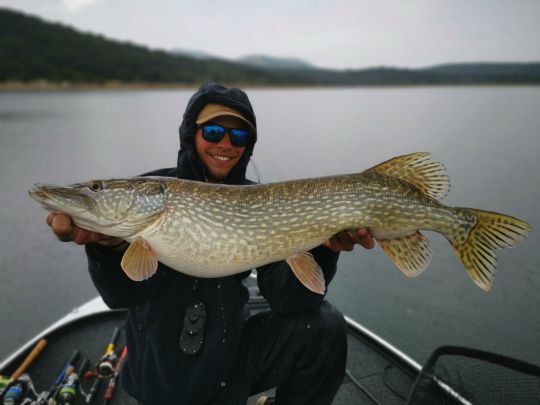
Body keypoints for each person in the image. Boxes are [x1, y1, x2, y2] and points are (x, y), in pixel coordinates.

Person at [46, 83, 375, 404]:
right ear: (192, 133)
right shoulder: (154, 192)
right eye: (214, 132)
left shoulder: (258, 201)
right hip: (164, 379)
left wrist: (323, 247)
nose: (227, 144)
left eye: (240, 136)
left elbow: (288, 299)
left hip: (229, 361)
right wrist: (108, 246)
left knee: (323, 325)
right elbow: (121, 294)